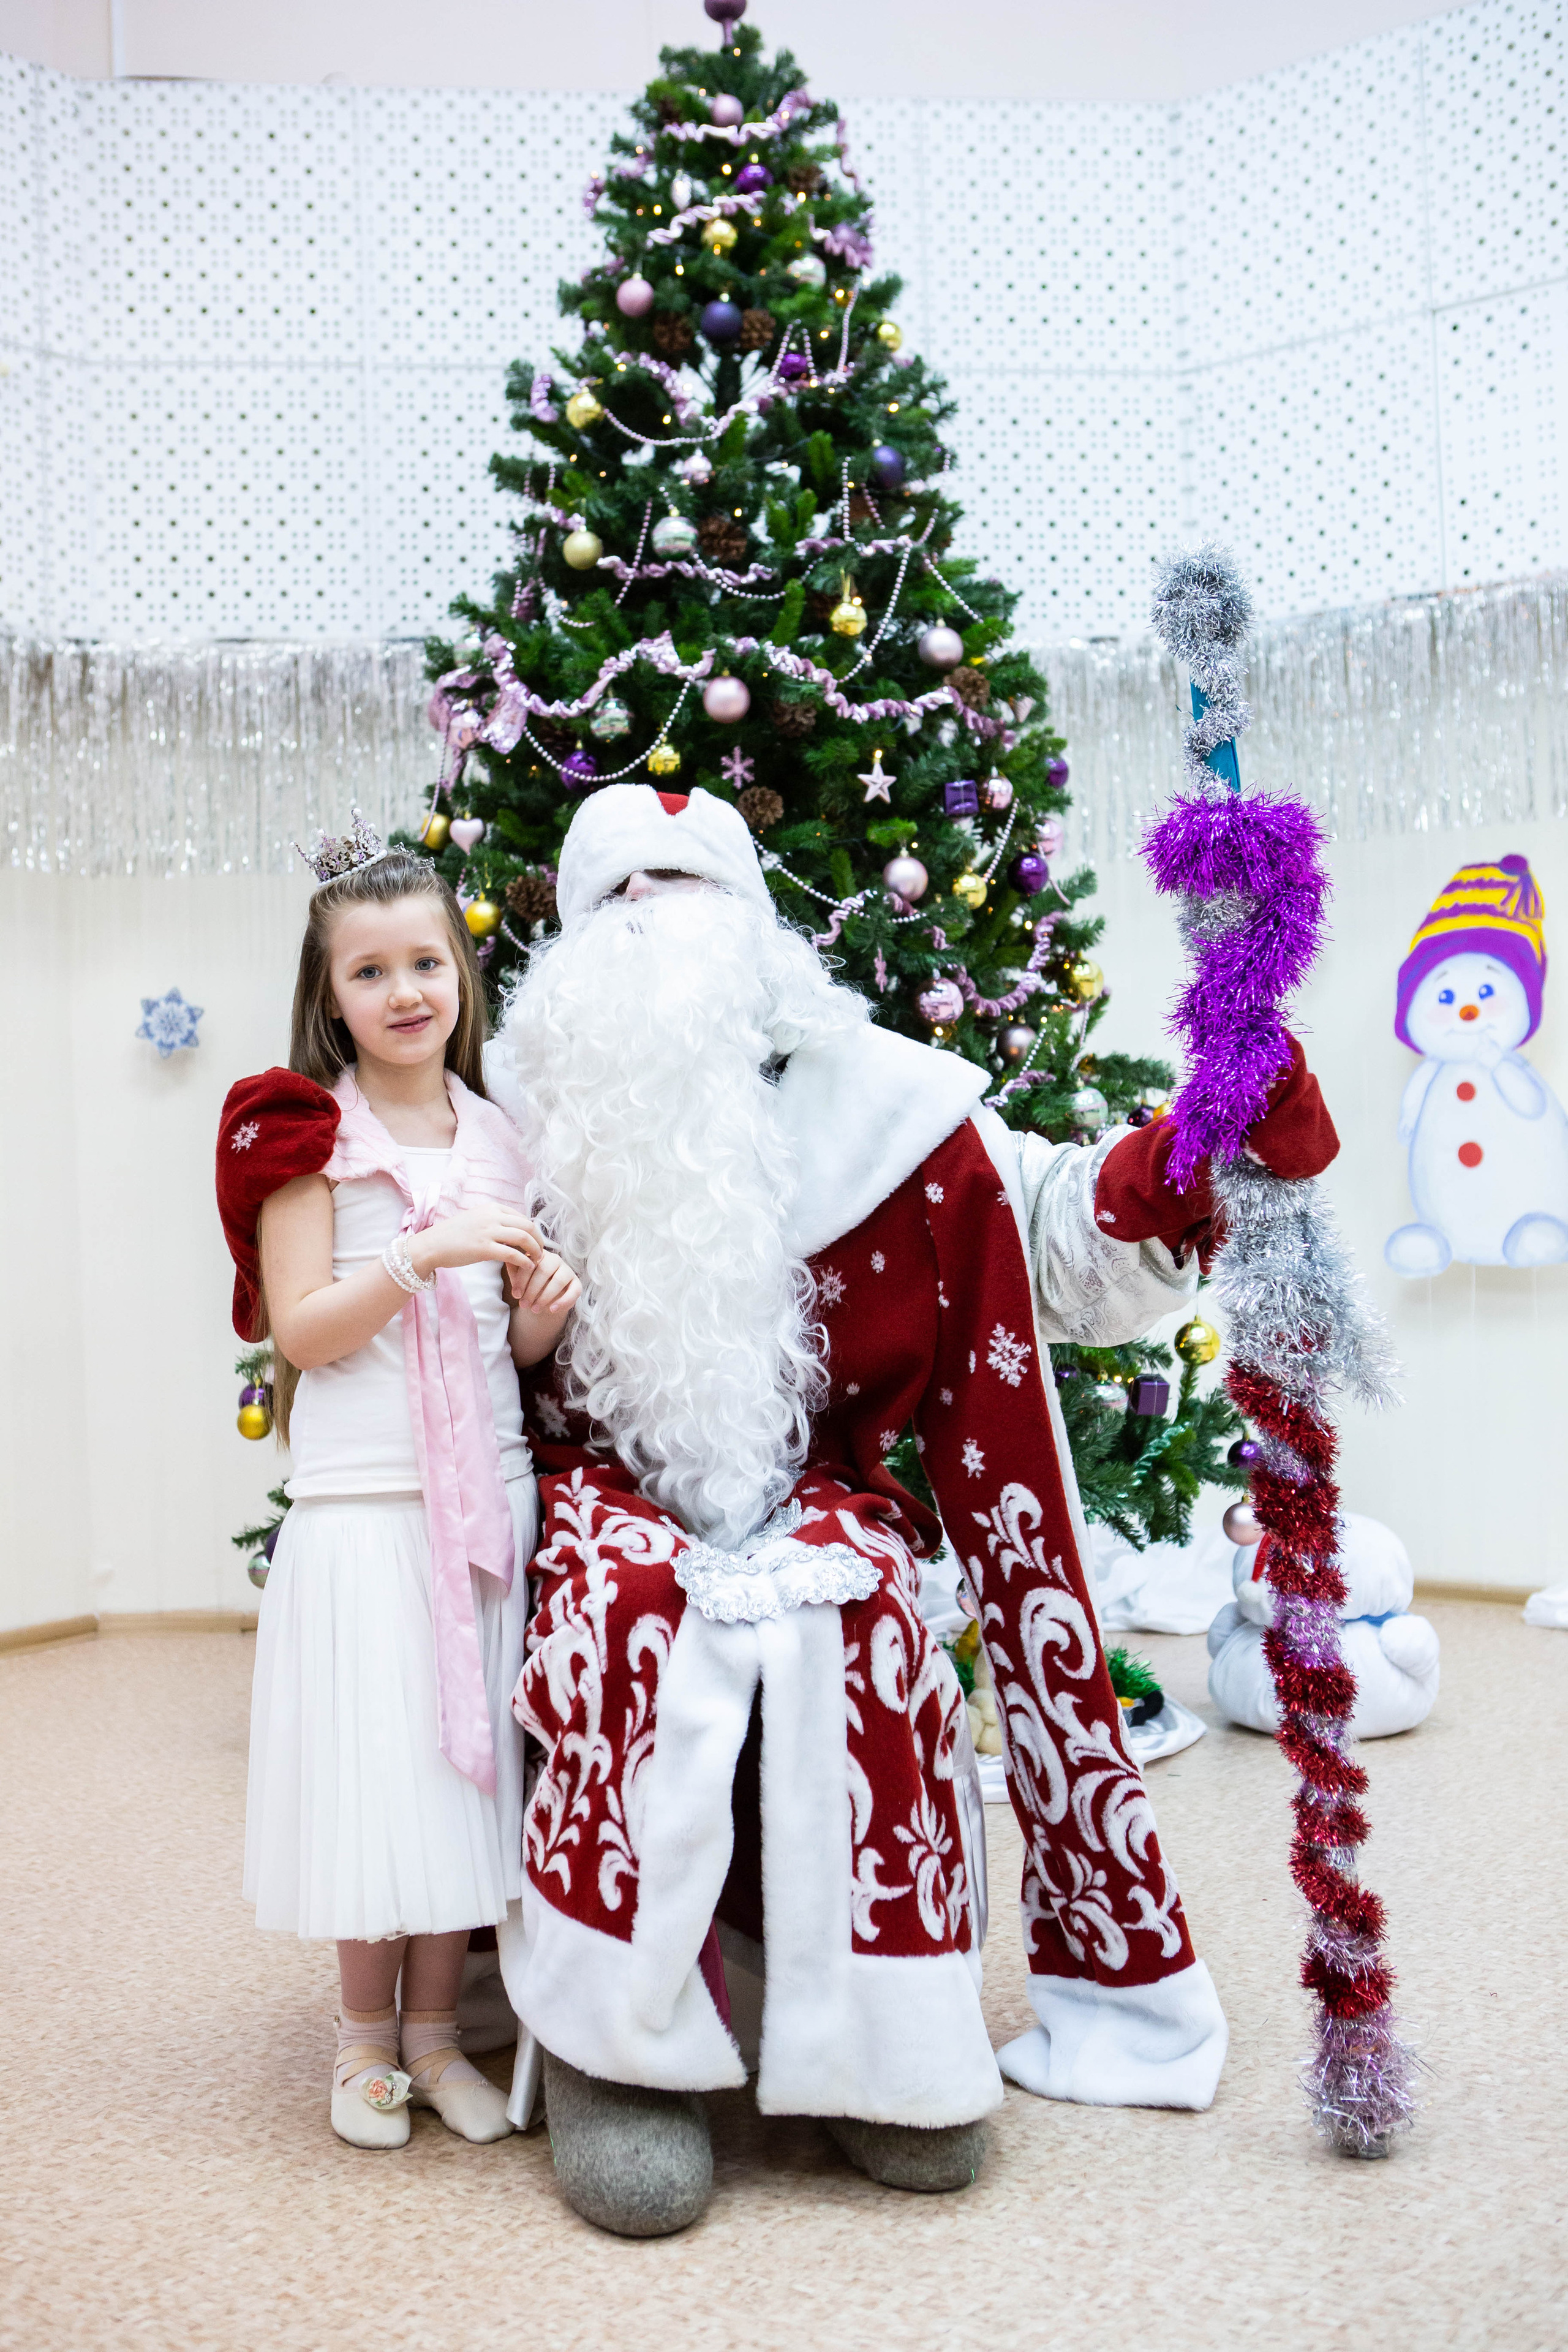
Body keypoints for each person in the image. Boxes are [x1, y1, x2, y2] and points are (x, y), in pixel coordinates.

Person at [485, 784, 1339, 2237]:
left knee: (861, 1612)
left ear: (757, 931)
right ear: (570, 951)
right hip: (601, 1497)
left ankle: (888, 2048)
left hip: (830, 1494)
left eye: (687, 895)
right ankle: (616, 2056)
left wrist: (1200, 1132)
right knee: (627, 1613)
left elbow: (1060, 1248)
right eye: (622, 904)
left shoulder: (892, 1109)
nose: (657, 930)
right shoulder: (504, 1127)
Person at [214, 811, 579, 2152]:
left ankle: (439, 2034)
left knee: (460, 1781)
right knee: (378, 1775)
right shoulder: (309, 1143)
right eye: (367, 973)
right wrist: (419, 1257)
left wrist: (539, 1300)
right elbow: (300, 1330)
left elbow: (510, 1349)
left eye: (423, 963)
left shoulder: (499, 1136)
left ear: (461, 977)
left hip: (480, 1502)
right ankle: (364, 2037)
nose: (402, 992)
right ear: (329, 995)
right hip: (365, 1511)